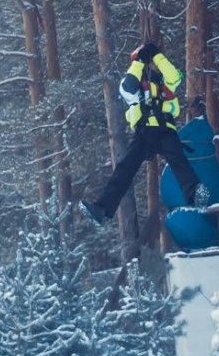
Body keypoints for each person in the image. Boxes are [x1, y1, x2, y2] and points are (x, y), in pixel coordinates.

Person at [80, 42, 209, 224]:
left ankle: (195, 195)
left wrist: (157, 55)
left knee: (179, 161)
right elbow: (128, 86)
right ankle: (102, 208)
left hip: (165, 130)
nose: (151, 66)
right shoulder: (131, 84)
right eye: (147, 62)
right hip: (145, 131)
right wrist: (140, 61)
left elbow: (174, 76)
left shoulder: (165, 83)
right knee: (125, 169)